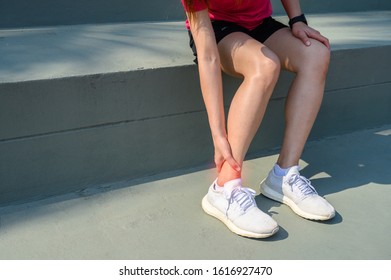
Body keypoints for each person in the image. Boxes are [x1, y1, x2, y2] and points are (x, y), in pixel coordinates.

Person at [180, 0, 335, 238]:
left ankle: (284, 175)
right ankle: (224, 187)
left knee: (316, 53)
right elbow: (208, 57)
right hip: (216, 28)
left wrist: (297, 20)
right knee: (265, 64)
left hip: (259, 24)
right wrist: (218, 134)